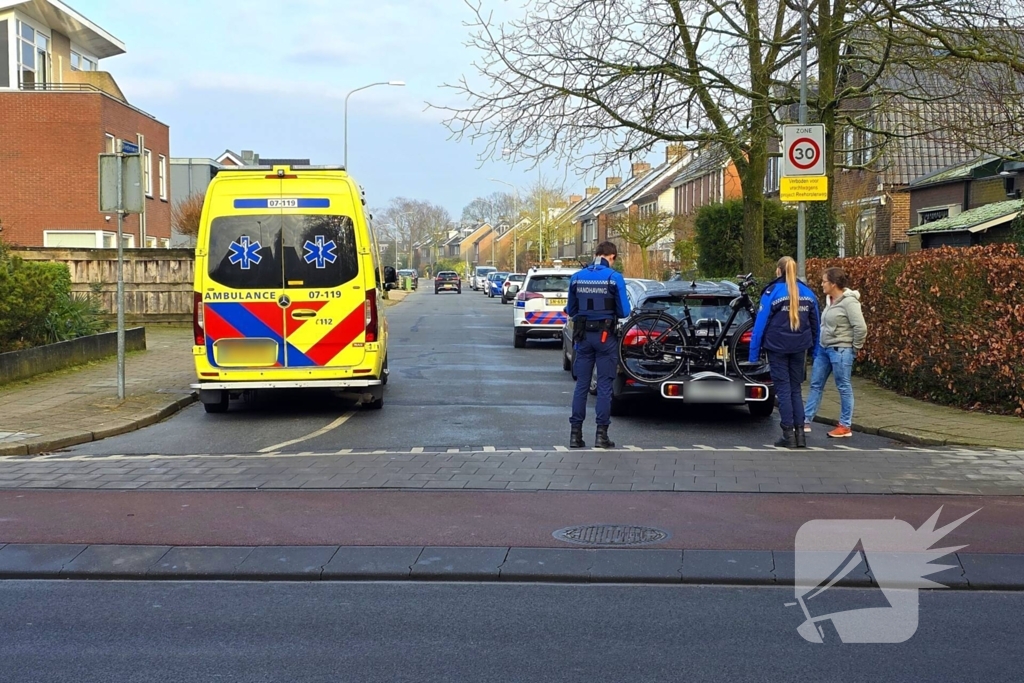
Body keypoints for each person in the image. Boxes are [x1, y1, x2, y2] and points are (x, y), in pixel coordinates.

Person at [748, 256, 820, 448]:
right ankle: (800, 435)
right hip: (799, 347)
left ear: (778, 271)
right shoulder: (808, 293)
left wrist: (753, 354)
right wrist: (816, 350)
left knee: (783, 390)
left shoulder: (772, 292)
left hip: (777, 347)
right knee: (796, 389)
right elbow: (816, 325)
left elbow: (760, 325)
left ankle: (787, 435)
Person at [565, 241, 631, 449]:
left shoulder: (576, 277)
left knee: (581, 386)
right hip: (605, 337)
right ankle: (601, 435)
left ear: (596, 254)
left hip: (583, 337)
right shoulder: (614, 278)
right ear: (611, 256)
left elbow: (570, 309)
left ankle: (575, 435)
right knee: (604, 386)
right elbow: (624, 312)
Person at [804, 267, 868, 438]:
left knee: (843, 387)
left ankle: (845, 425)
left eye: (824, 281)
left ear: (833, 284)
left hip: (841, 351)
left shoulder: (849, 302)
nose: (822, 284)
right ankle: (805, 420)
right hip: (824, 350)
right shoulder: (829, 300)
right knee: (816, 384)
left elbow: (860, 327)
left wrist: (854, 348)